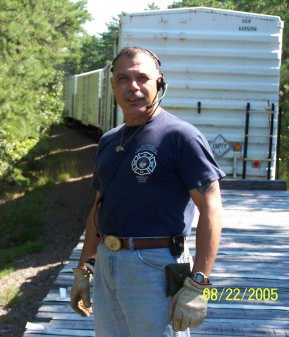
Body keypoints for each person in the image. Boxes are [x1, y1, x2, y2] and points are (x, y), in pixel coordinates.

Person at [70, 46, 225, 337]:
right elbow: (99, 207)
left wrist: (198, 284)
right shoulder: (108, 140)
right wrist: (83, 268)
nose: (133, 87)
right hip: (107, 264)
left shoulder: (181, 137)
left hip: (156, 267)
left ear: (160, 83)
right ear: (113, 85)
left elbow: (211, 209)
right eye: (123, 79)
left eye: (142, 78)